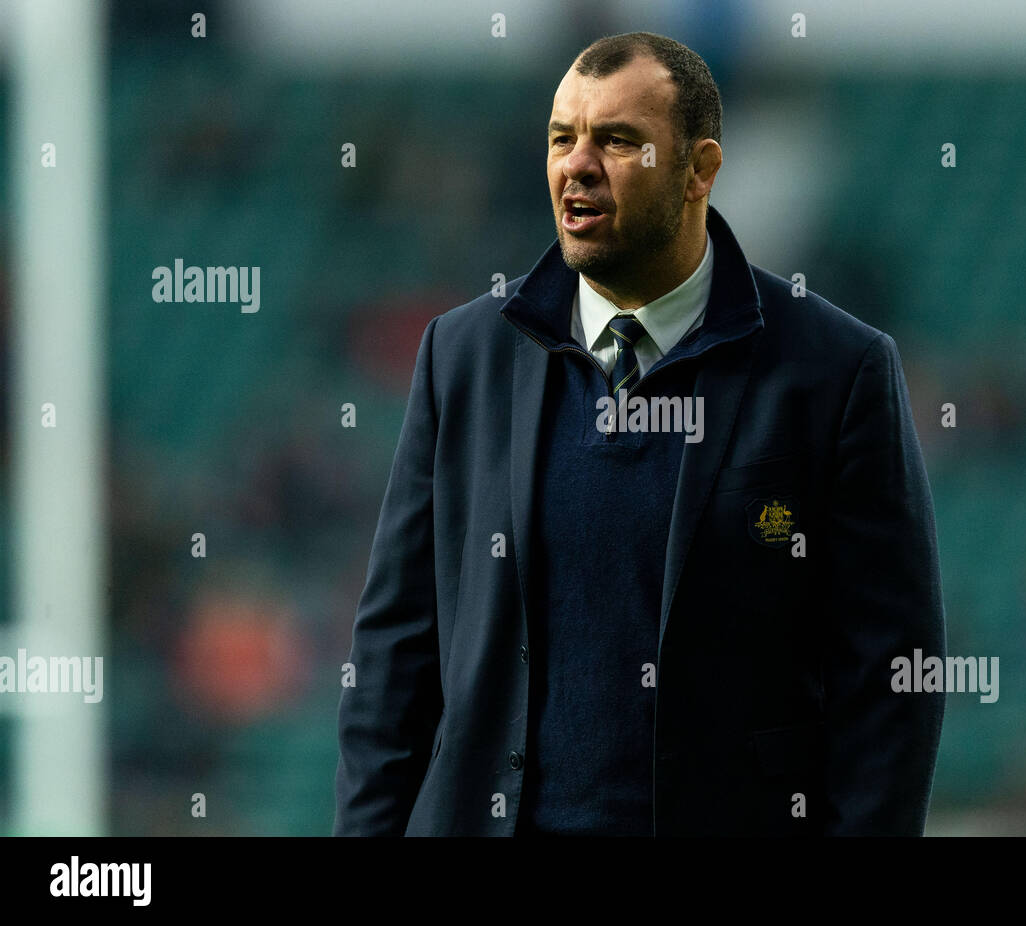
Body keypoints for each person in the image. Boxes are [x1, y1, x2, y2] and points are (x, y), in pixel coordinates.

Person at [334, 31, 946, 837]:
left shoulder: (835, 370)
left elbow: (890, 679)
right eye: (562, 138)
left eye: (618, 141)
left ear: (700, 170)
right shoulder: (465, 355)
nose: (577, 165)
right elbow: (394, 660)